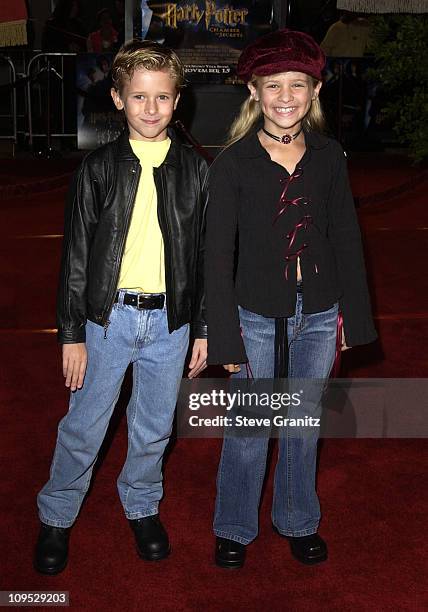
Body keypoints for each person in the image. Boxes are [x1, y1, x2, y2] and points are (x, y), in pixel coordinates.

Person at [34, 40, 208, 575]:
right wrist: (71, 334)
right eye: (138, 97)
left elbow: (204, 255)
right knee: (85, 423)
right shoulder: (98, 168)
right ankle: (57, 515)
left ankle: (141, 504)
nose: (151, 108)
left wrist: (202, 327)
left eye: (162, 97)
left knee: (155, 424)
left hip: (170, 323)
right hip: (105, 320)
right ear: (117, 98)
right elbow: (77, 256)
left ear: (177, 101)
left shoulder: (197, 171)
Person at [205, 29, 377, 569]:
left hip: (321, 312)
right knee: (252, 430)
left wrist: (354, 314)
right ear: (253, 91)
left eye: (296, 85)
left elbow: (346, 235)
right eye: (273, 85)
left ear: (315, 91)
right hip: (254, 315)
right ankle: (234, 526)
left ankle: (298, 519)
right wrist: (224, 335)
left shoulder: (329, 155)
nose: (285, 96)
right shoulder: (232, 163)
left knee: (303, 428)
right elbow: (216, 256)